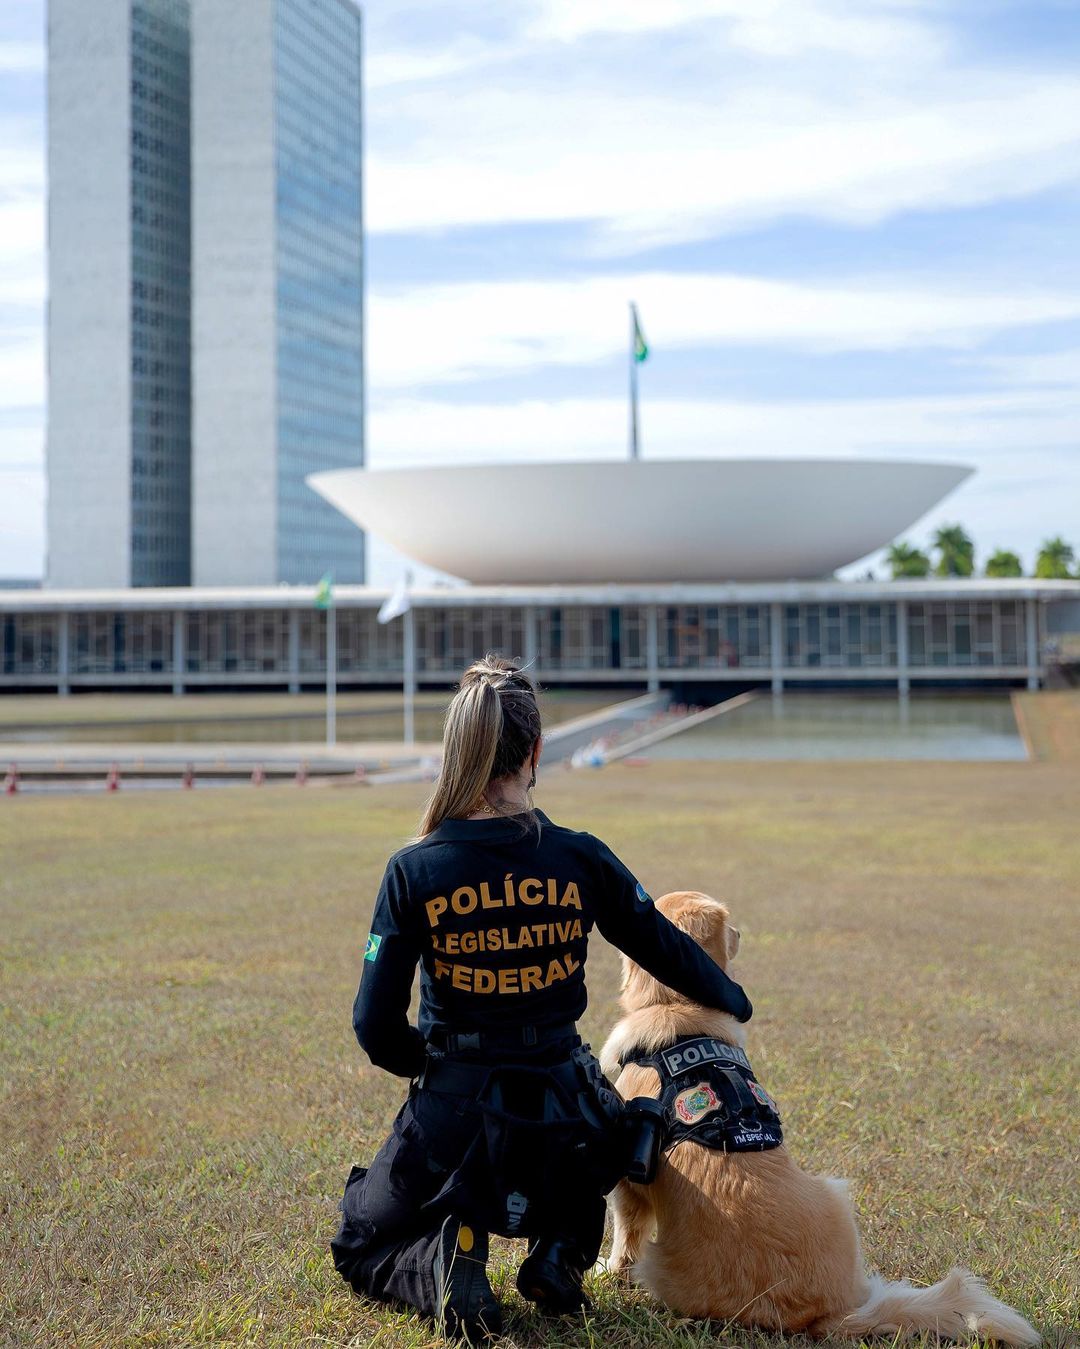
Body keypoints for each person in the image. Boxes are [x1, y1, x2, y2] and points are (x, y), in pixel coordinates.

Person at [331, 656, 752, 1341]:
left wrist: (428, 1063)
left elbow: (373, 1025)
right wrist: (732, 996)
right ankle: (562, 1251)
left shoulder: (414, 870)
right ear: (533, 751)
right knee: (599, 1137)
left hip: (456, 1119)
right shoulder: (578, 857)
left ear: (458, 749)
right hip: (569, 1122)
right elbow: (661, 943)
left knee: (359, 1240)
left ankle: (448, 1259)